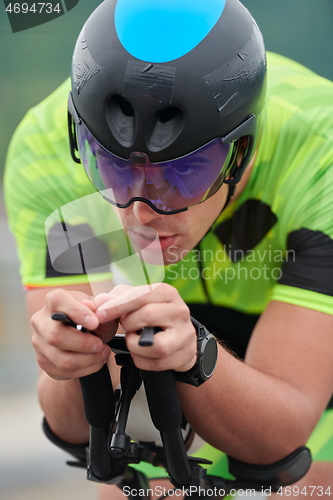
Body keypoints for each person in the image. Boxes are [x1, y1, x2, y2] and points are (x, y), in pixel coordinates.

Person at [4, 0, 333, 497]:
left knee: (306, 487)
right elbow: (73, 429)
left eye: (182, 175)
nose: (140, 211)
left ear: (239, 153)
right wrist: (72, 362)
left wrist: (194, 353)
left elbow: (279, 440)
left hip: (304, 382)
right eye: (113, 170)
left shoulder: (322, 155)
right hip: (183, 371)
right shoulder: (44, 154)